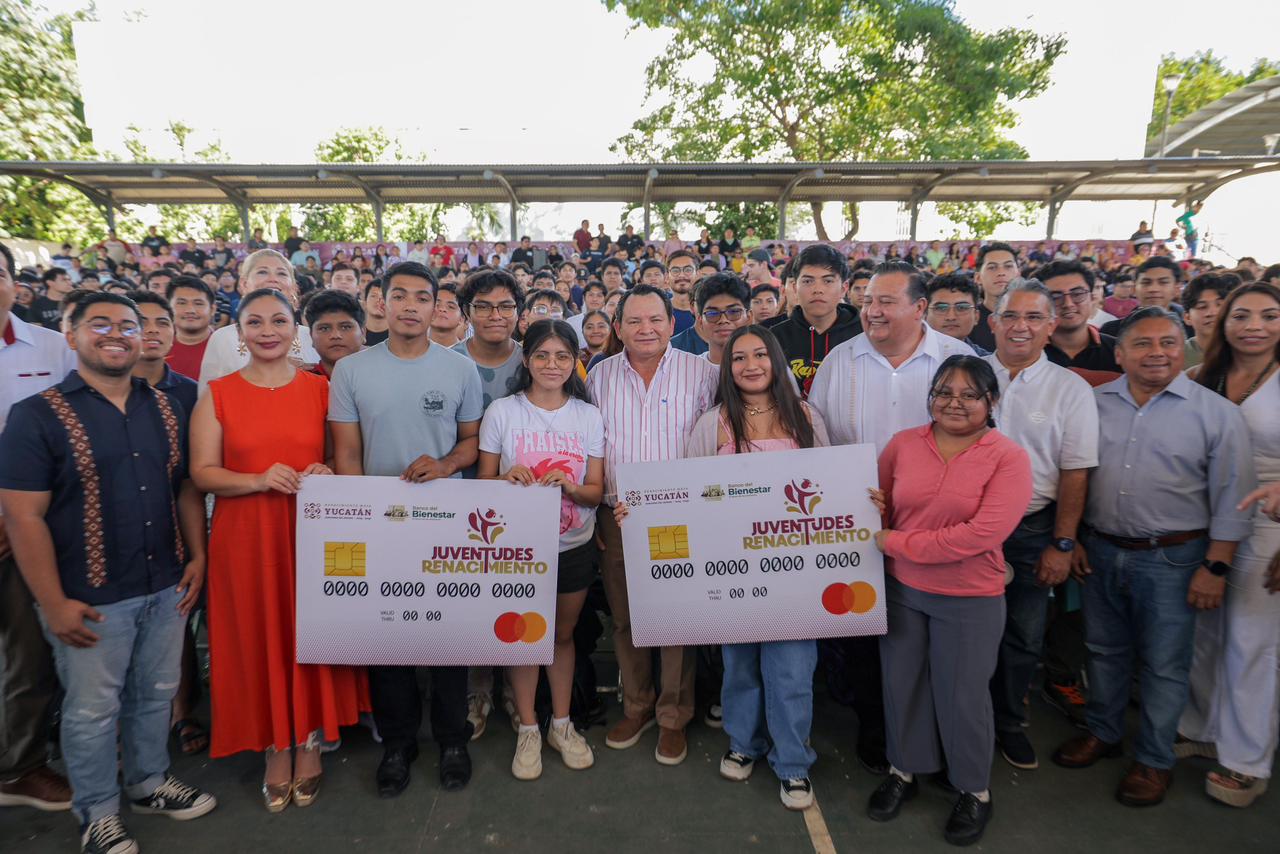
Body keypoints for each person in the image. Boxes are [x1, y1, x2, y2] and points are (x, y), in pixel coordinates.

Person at [0, 292, 217, 853]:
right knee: (93, 709)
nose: (118, 334)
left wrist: (197, 556)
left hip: (166, 579)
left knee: (156, 691)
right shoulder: (36, 414)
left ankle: (148, 782)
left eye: (130, 325)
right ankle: (96, 811)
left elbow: (187, 486)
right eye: (101, 324)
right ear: (69, 335)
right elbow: (24, 516)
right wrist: (52, 601)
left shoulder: (171, 406)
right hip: (88, 593)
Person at [1052, 307, 1255, 808]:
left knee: (1165, 665)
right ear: (1119, 354)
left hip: (1175, 557)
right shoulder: (1092, 404)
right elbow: (1073, 475)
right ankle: (1103, 731)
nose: (1157, 353)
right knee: (1102, 650)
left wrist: (1216, 566)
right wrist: (1071, 537)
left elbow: (1233, 496)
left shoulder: (1216, 414)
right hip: (1099, 548)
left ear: (1182, 348)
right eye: (1142, 344)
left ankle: (1154, 759)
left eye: (1168, 343)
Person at [190, 287, 365, 812]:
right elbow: (202, 473)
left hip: (310, 531)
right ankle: (273, 743)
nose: (268, 330)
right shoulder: (217, 394)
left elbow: (340, 455)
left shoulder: (319, 389)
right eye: (255, 322)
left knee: (310, 630)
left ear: (296, 329)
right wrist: (258, 479)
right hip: (245, 536)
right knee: (258, 634)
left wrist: (324, 468)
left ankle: (310, 736)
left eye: (278, 321)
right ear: (239, 333)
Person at [329, 262, 482, 796]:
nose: (412, 306)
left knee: (448, 633)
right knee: (387, 631)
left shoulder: (460, 369)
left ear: (438, 305)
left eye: (423, 297)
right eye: (400, 296)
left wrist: (443, 465)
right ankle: (396, 742)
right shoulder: (351, 371)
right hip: (378, 524)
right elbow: (346, 454)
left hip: (444, 521)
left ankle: (452, 738)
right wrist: (362, 516)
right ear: (381, 302)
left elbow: (470, 443)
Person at [867, 356, 1032, 846]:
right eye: (944, 392)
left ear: (991, 402)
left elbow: (982, 534)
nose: (954, 403)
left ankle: (973, 790)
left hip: (968, 596)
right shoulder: (903, 444)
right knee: (902, 685)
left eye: (969, 394)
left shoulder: (1007, 457)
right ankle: (904, 771)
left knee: (962, 696)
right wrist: (874, 510)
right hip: (902, 590)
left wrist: (896, 543)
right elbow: (882, 505)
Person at [683, 325, 830, 810]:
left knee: (791, 670)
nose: (751, 365)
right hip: (734, 571)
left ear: (777, 360)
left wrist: (864, 499)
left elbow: (831, 486)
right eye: (740, 357)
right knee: (740, 666)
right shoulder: (714, 424)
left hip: (795, 573)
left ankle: (792, 763)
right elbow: (686, 493)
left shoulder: (806, 416)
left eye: (761, 355)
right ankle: (744, 744)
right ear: (727, 368)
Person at [586, 284, 717, 766]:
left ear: (673, 323)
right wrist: (597, 509)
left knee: (675, 619)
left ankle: (673, 716)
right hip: (617, 515)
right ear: (617, 327)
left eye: (655, 320)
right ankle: (636, 705)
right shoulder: (598, 377)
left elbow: (716, 443)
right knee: (625, 618)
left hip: (680, 517)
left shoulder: (702, 373)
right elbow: (591, 449)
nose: (646, 329)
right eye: (635, 321)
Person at [477, 319, 603, 780]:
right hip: (516, 551)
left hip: (573, 545)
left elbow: (595, 491)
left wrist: (570, 485)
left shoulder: (588, 417)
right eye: (543, 356)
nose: (553, 365)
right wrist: (504, 479)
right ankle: (528, 726)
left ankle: (562, 725)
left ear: (575, 363)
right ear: (526, 359)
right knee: (524, 635)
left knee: (562, 637)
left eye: (563, 357)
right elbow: (483, 483)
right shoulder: (503, 413)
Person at [981, 280, 1098, 771]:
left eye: (1033, 318)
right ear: (993, 322)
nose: (1020, 327)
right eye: (1011, 316)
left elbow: (1076, 472)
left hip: (1032, 530)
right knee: (967, 632)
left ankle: (1008, 723)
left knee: (1023, 636)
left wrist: (1063, 542)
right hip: (967, 529)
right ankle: (967, 720)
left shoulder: (1069, 389)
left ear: (1052, 327)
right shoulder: (966, 375)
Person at [1180, 282, 1280, 807]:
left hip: (1269, 524)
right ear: (1223, 323)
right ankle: (1203, 727)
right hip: (1205, 518)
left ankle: (1248, 760)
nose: (1254, 326)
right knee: (1205, 631)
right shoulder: (1203, 375)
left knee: (1251, 642)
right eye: (1241, 315)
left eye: (1269, 315)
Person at [0, 243, 78, 814]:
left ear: (14, 284)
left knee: (29, 655)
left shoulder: (52, 347)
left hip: (30, 526)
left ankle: (20, 765)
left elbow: (79, 428)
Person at [197, 250, 321, 396]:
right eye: (263, 272)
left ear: (293, 287)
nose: (273, 279)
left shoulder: (313, 336)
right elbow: (207, 398)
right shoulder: (222, 338)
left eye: (281, 273)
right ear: (244, 284)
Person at [768, 244, 861, 398]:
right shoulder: (775, 337)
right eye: (808, 281)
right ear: (795, 287)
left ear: (844, 288)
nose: (818, 289)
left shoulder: (862, 335)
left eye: (828, 281)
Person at [1039, 261, 1121, 386]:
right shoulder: (1029, 353)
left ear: (1092, 297)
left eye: (1077, 294)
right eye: (1055, 297)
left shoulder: (1120, 351)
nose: (1068, 304)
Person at [1100, 257, 1184, 338]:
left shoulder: (1191, 328)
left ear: (1177, 288)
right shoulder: (1111, 331)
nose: (1153, 289)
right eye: (1146, 283)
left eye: (1163, 282)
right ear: (1134, 289)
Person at [162, 276, 215, 381]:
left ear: (212, 309)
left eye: (198, 303)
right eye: (182, 303)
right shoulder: (158, 349)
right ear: (168, 308)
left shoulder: (230, 346)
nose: (190, 310)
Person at [968, 243, 1019, 352]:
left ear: (1018, 275)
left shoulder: (1036, 318)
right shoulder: (968, 320)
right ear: (978, 278)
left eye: (1008, 266)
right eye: (992, 267)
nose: (1001, 273)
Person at [694, 272, 753, 366]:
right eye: (712, 313)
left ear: (749, 318)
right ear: (700, 321)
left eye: (733, 312)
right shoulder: (687, 371)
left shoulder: (768, 369)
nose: (723, 320)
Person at [1181, 272, 1237, 369]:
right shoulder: (1177, 356)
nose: (1212, 312)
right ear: (1187, 318)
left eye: (1220, 304)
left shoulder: (1244, 352)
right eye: (1202, 307)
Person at [304, 290, 366, 378]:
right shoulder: (298, 383)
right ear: (311, 336)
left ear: (363, 333)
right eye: (324, 328)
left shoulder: (384, 378)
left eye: (346, 327)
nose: (335, 335)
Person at [925, 274, 988, 355]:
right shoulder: (906, 357)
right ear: (925, 314)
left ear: (976, 316)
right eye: (941, 308)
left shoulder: (986, 362)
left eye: (962, 308)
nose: (951, 317)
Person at [665, 252, 699, 333]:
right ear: (667, 277)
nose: (681, 275)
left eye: (688, 270)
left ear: (698, 274)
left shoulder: (709, 313)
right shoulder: (659, 311)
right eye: (675, 270)